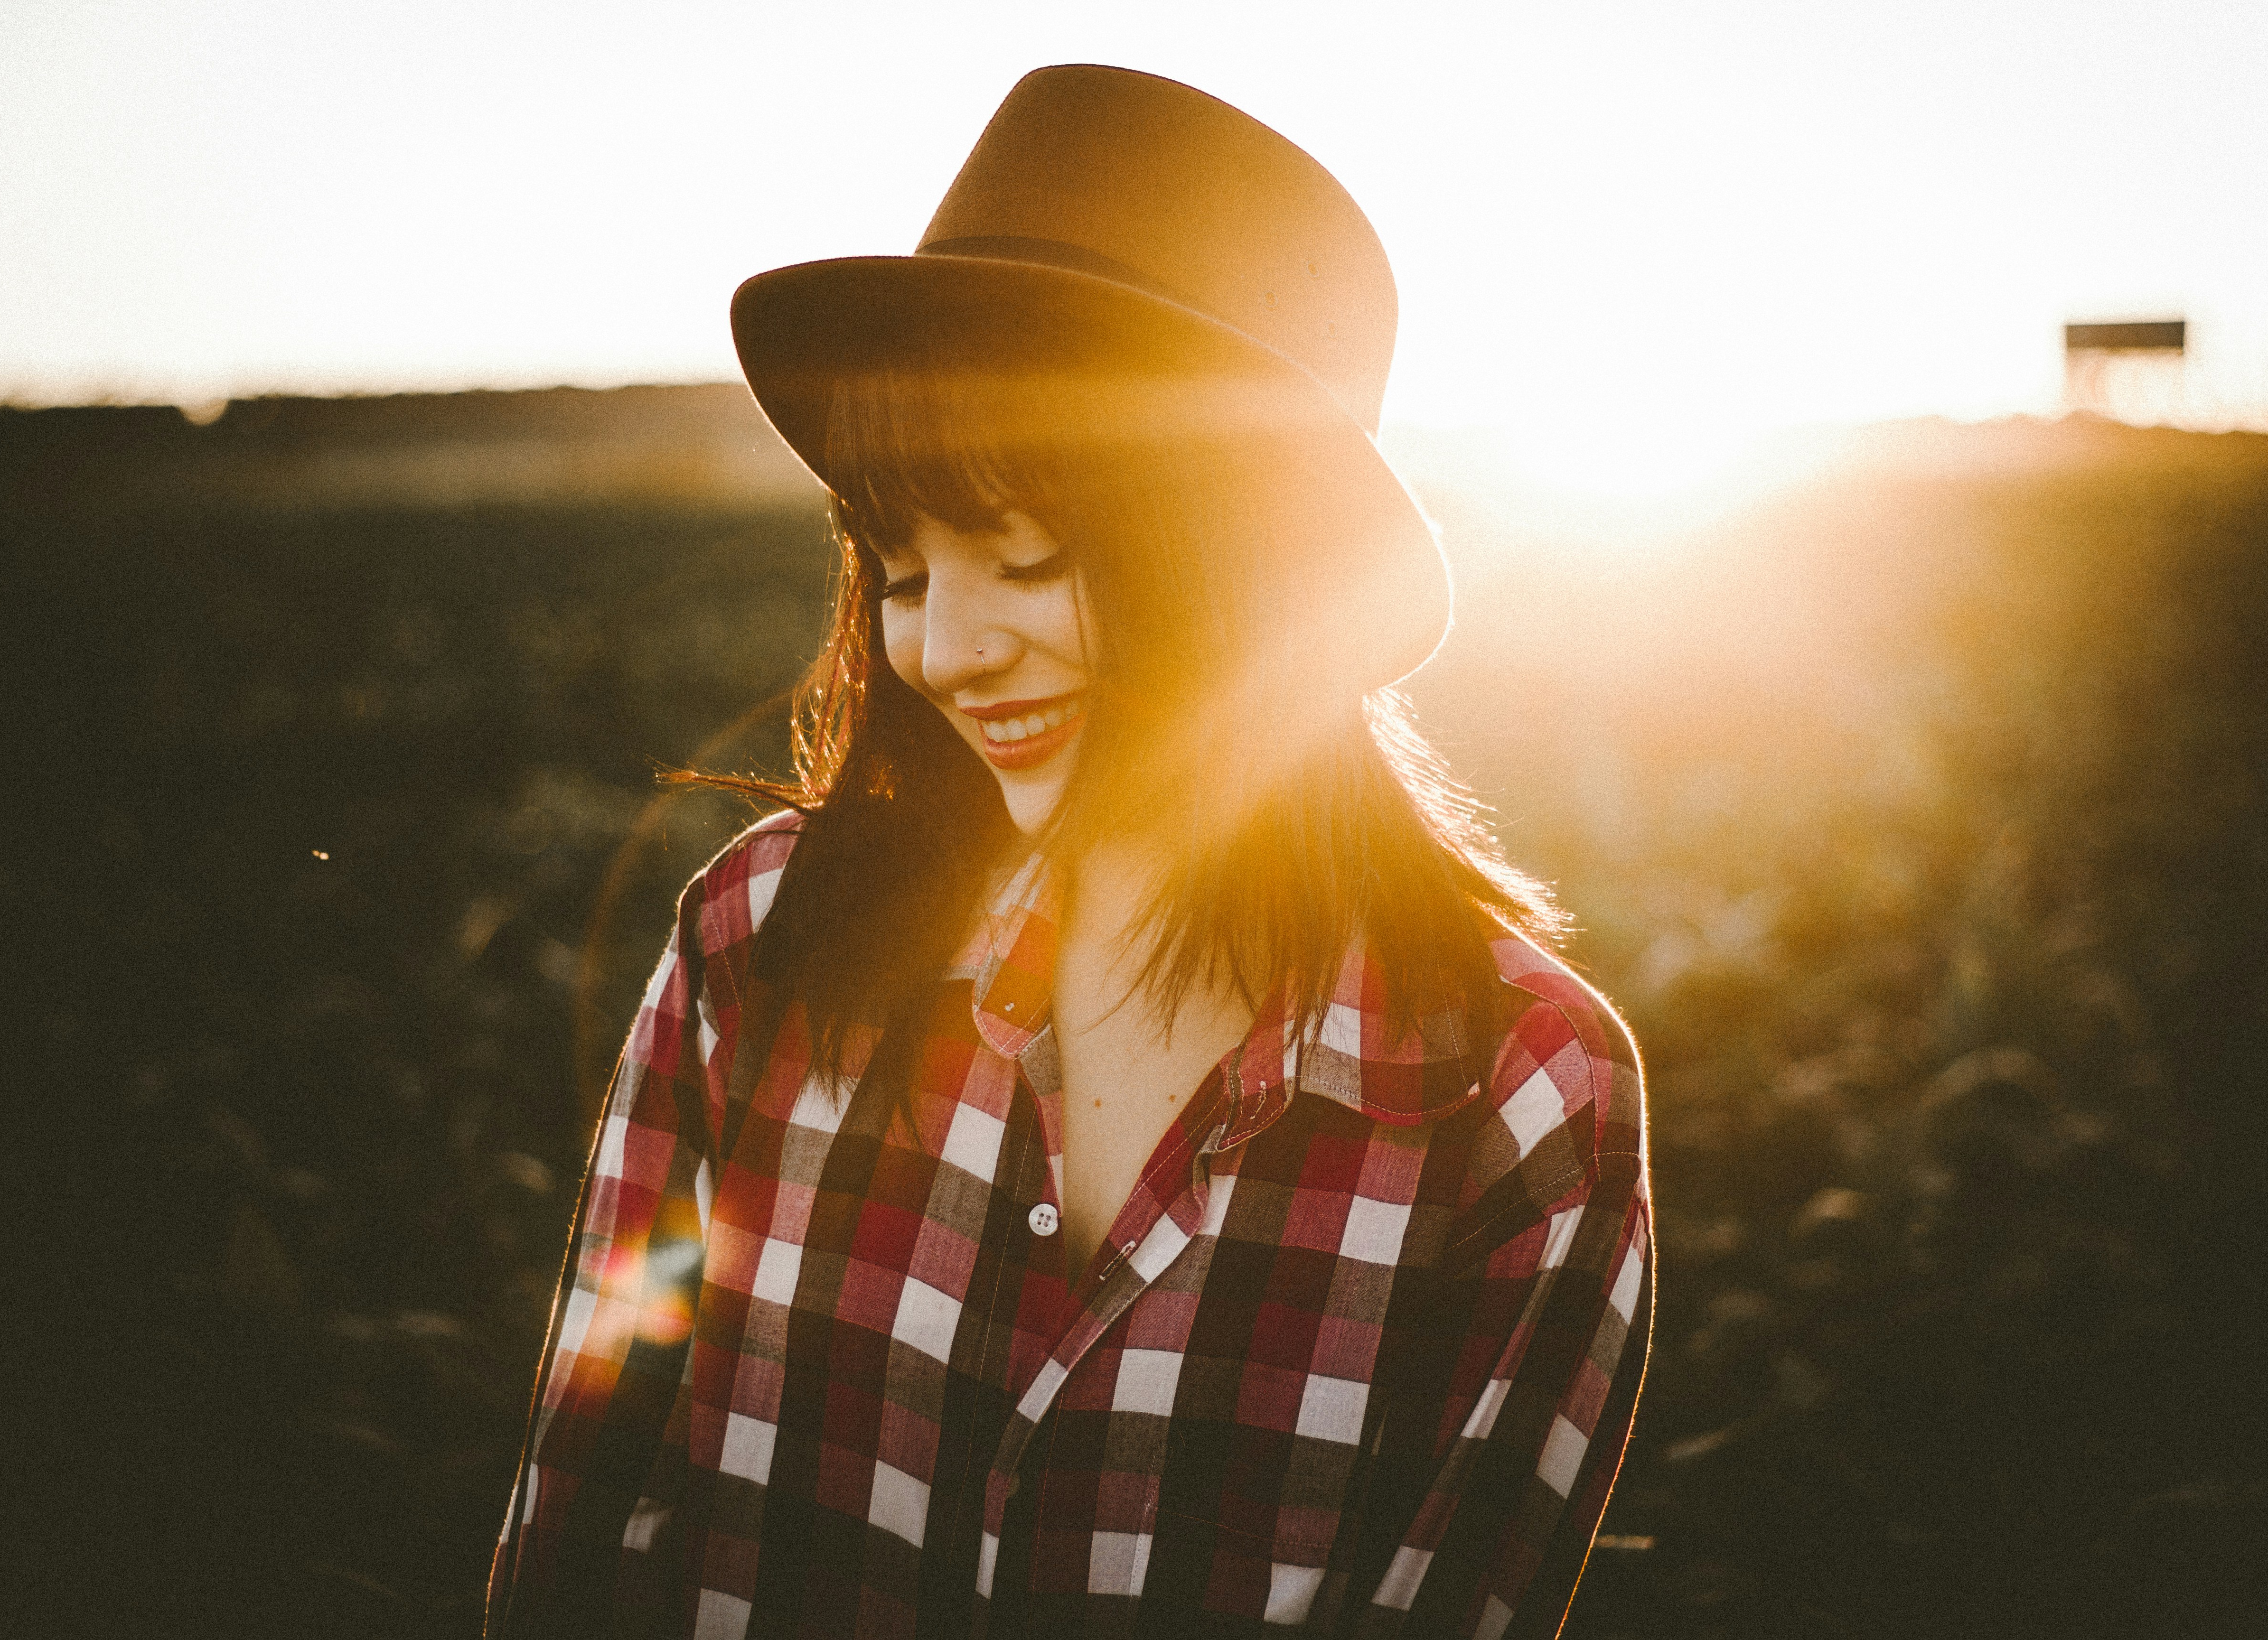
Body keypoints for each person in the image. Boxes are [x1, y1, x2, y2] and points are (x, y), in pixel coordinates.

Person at [487, 64, 1650, 1640]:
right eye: (899, 570)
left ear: (1244, 556)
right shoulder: (759, 940)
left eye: (1025, 554)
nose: (945, 650)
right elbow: (574, 1522)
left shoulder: (1520, 1101)